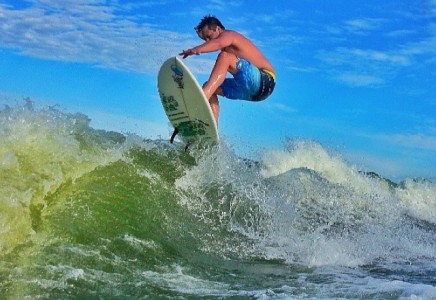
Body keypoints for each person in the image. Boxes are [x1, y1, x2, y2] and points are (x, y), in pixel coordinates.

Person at [180, 15, 276, 124]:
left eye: (209, 36)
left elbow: (218, 43)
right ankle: (211, 127)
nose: (207, 41)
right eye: (204, 39)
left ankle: (200, 99)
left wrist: (195, 49)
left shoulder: (229, 35)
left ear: (217, 29)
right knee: (211, 88)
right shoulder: (229, 48)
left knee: (224, 56)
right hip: (254, 94)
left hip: (265, 80)